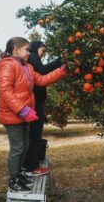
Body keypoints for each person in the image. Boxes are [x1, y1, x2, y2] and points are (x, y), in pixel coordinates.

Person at [0, 37, 66, 193]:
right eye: (27, 50)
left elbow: (41, 80)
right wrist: (22, 109)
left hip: (23, 115)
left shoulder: (27, 67)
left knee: (26, 145)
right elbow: (5, 91)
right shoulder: (7, 65)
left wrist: (61, 71)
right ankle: (13, 180)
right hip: (12, 114)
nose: (30, 53)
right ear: (16, 50)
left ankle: (20, 174)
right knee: (18, 147)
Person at [23, 41, 61, 176]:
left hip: (35, 102)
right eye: (42, 51)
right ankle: (31, 166)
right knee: (35, 134)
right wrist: (59, 61)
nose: (43, 55)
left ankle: (29, 164)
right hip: (35, 103)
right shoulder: (33, 56)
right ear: (36, 48)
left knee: (33, 134)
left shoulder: (32, 59)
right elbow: (43, 72)